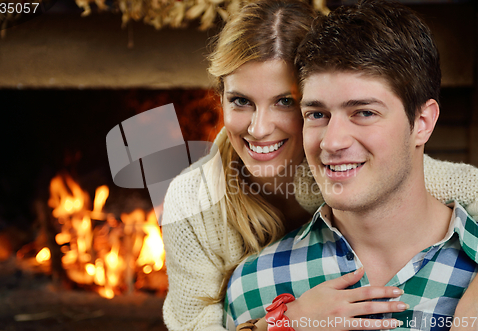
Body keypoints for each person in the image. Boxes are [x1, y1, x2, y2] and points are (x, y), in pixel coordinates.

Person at [161, 0, 478, 330]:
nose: (259, 128)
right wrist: (283, 323)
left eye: (285, 102)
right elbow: (194, 321)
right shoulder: (195, 202)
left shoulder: (390, 171)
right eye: (241, 101)